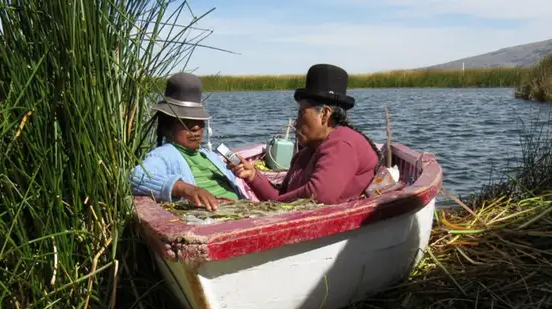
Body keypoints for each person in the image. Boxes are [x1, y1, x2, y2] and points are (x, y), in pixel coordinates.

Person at [228, 64, 382, 204]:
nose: (296, 123)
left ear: (324, 114)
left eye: (301, 114)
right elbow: (282, 195)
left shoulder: (342, 142)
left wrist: (276, 202)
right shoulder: (306, 153)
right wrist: (253, 176)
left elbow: (320, 195)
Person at [129, 72, 244, 211]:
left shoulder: (210, 156)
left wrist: (244, 173)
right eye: (186, 121)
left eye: (198, 120)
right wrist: (185, 189)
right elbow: (134, 177)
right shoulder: (164, 155)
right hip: (213, 219)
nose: (196, 127)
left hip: (242, 211)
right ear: (167, 127)